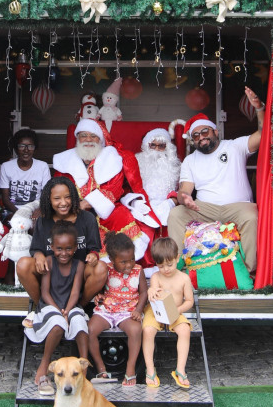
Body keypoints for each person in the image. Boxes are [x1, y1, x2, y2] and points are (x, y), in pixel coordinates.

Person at [167, 86, 264, 273]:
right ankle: (179, 270)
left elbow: (262, 135)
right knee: (176, 215)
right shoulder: (190, 160)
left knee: (251, 217)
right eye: (196, 135)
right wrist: (185, 198)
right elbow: (184, 190)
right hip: (205, 208)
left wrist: (259, 109)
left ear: (216, 132)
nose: (201, 137)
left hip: (238, 205)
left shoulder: (234, 146)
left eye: (205, 132)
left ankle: (249, 272)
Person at [53, 118, 160, 263]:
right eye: (84, 135)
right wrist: (70, 206)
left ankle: (116, 263)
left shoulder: (111, 159)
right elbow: (57, 188)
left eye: (93, 136)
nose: (88, 140)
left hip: (106, 209)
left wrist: (85, 204)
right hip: (70, 208)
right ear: (77, 138)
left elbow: (113, 189)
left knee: (122, 216)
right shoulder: (64, 161)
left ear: (100, 140)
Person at [16, 177, 108, 314]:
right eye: (57, 198)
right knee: (23, 264)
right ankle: (43, 308)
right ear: (49, 200)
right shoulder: (43, 220)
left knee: (101, 267)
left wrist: (93, 256)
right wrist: (39, 256)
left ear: (74, 197)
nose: (63, 203)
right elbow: (36, 249)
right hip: (50, 277)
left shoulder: (87, 218)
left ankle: (77, 308)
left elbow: (94, 249)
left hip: (78, 275)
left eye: (67, 197)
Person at [24, 221, 87, 395]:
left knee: (80, 322)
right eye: (59, 248)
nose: (63, 253)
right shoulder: (49, 262)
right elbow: (44, 293)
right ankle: (45, 364)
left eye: (68, 249)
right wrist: (60, 312)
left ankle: (84, 367)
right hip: (50, 305)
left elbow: (75, 292)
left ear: (75, 248)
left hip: (70, 305)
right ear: (52, 247)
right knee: (58, 324)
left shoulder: (79, 265)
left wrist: (67, 310)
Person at [88, 232, 147, 387]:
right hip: (108, 309)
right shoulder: (106, 269)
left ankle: (130, 368)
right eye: (123, 262)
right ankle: (101, 369)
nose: (129, 265)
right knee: (90, 329)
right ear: (112, 259)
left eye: (132, 259)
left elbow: (143, 292)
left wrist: (138, 310)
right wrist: (99, 295)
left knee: (135, 330)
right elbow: (100, 288)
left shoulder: (138, 270)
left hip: (128, 311)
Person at [142, 238, 194, 389]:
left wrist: (178, 310)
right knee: (148, 330)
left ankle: (180, 369)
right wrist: (151, 291)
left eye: (169, 264)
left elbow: (189, 301)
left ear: (177, 258)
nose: (166, 269)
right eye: (161, 266)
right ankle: (150, 369)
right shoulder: (156, 276)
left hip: (174, 310)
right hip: (156, 310)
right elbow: (153, 291)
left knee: (185, 330)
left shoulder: (184, 278)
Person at [0, 129, 50, 221]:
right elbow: (5, 198)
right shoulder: (6, 167)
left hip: (35, 210)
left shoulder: (43, 166)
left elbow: (47, 195)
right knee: (16, 223)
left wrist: (39, 210)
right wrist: (21, 214)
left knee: (36, 224)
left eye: (30, 146)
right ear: (16, 148)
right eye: (22, 146)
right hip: (13, 210)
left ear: (35, 148)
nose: (26, 150)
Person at [135, 127, 181, 227]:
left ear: (167, 147)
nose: (156, 149)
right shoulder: (137, 162)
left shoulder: (174, 165)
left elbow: (181, 190)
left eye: (161, 146)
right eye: (153, 145)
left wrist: (172, 201)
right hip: (142, 207)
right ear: (147, 146)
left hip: (168, 207)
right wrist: (135, 202)